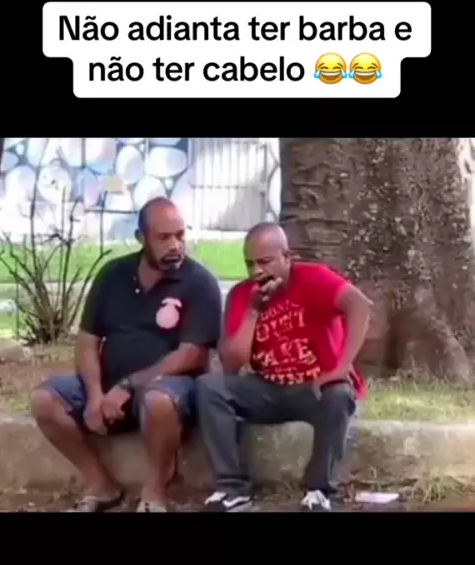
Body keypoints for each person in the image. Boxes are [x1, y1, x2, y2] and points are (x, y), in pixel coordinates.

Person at [30, 197, 222, 512]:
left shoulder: (199, 283)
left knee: (159, 401)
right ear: (141, 238)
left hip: (168, 387)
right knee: (44, 400)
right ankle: (101, 485)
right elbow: (88, 341)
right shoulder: (113, 274)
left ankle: (156, 490)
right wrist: (95, 395)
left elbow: (192, 355)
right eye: (164, 237)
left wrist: (129, 385)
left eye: (180, 235)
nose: (175, 245)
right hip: (110, 385)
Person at [196, 222, 372, 513]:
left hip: (314, 387)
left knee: (339, 394)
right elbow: (231, 364)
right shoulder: (242, 295)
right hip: (269, 388)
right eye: (250, 264)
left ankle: (319, 491)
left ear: (287, 257)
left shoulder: (313, 278)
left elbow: (360, 306)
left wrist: (343, 366)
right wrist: (253, 310)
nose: (257, 272)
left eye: (265, 262)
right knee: (210, 387)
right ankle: (232, 490)